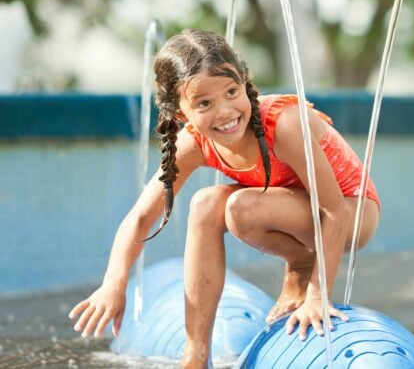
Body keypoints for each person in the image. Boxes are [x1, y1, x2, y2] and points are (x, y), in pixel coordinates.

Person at [68, 28, 381, 368]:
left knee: (239, 207)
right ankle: (196, 354)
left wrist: (318, 296)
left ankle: (301, 267)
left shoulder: (284, 125)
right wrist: (114, 284)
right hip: (296, 211)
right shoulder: (192, 143)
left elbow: (333, 209)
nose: (225, 111)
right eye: (204, 103)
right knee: (204, 204)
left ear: (245, 82)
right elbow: (141, 216)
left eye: (232, 92)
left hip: (352, 212)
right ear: (181, 115)